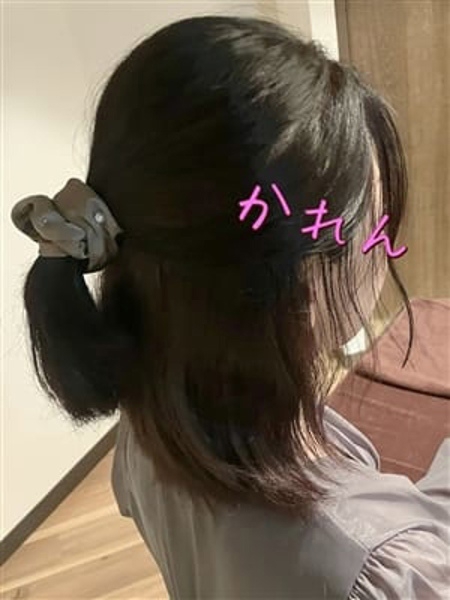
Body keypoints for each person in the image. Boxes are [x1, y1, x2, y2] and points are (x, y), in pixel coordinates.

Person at [11, 15, 449, 599]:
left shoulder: (151, 418)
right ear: (302, 283)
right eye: (375, 231)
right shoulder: (376, 570)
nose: (386, 248)